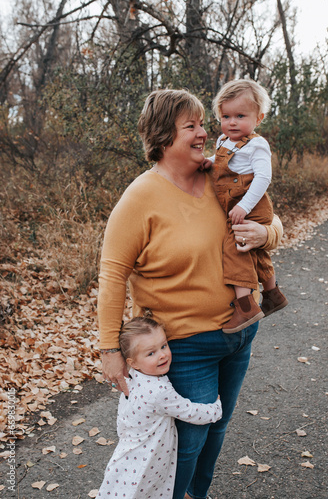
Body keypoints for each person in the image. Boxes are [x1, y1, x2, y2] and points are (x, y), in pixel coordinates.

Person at [98, 88, 283, 499]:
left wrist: (266, 233)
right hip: (184, 344)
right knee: (186, 444)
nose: (205, 133)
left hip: (239, 335)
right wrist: (110, 349)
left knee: (216, 432)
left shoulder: (219, 176)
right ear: (164, 138)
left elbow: (271, 220)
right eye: (192, 126)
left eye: (203, 123)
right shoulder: (140, 198)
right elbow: (112, 274)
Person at [97, 317, 222, 499]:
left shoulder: (132, 378)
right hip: (149, 457)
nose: (162, 355)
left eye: (163, 346)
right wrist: (215, 409)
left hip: (128, 452)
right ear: (133, 362)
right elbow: (188, 411)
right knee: (146, 491)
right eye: (151, 353)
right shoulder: (158, 391)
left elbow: (122, 417)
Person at [202, 79, 288, 333]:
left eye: (240, 115)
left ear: (258, 118)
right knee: (256, 251)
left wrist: (245, 207)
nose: (232, 122)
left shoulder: (257, 144)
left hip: (251, 204)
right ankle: (272, 293)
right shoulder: (223, 141)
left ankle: (245, 305)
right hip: (239, 204)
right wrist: (207, 162)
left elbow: (263, 177)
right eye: (225, 116)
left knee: (236, 247)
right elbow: (220, 161)